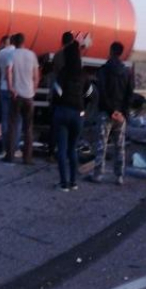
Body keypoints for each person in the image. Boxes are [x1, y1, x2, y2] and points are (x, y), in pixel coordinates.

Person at [89, 41, 133, 185]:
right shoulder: (127, 72)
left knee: (102, 144)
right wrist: (123, 113)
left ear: (111, 51)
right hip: (120, 115)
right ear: (121, 52)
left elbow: (101, 92)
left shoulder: (103, 70)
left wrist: (110, 110)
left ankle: (98, 174)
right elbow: (129, 95)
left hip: (105, 113)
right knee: (120, 145)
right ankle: (119, 176)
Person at [52, 40, 85, 191]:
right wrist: (83, 108)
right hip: (77, 114)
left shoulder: (63, 73)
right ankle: (74, 182)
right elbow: (91, 94)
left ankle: (63, 183)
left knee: (62, 149)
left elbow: (56, 93)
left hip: (62, 112)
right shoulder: (83, 75)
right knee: (73, 149)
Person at [5, 33, 39, 164]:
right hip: (28, 96)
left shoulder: (12, 55)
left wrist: (10, 88)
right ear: (24, 42)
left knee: (13, 126)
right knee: (28, 128)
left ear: (14, 42)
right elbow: (36, 75)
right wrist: (33, 90)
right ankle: (27, 158)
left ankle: (10, 155)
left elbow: (9, 71)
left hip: (16, 95)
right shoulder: (32, 55)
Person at [47, 32, 75, 160]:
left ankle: (51, 152)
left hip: (58, 94)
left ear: (62, 41)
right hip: (71, 95)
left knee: (55, 124)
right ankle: (66, 152)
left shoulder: (57, 56)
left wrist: (51, 94)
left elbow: (54, 75)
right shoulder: (75, 57)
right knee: (70, 126)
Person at [0, 34, 17, 153]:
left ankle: (5, 144)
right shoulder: (14, 53)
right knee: (15, 119)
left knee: (4, 117)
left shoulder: (1, 53)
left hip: (2, 86)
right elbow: (10, 70)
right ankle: (13, 145)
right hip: (13, 87)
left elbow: (2, 69)